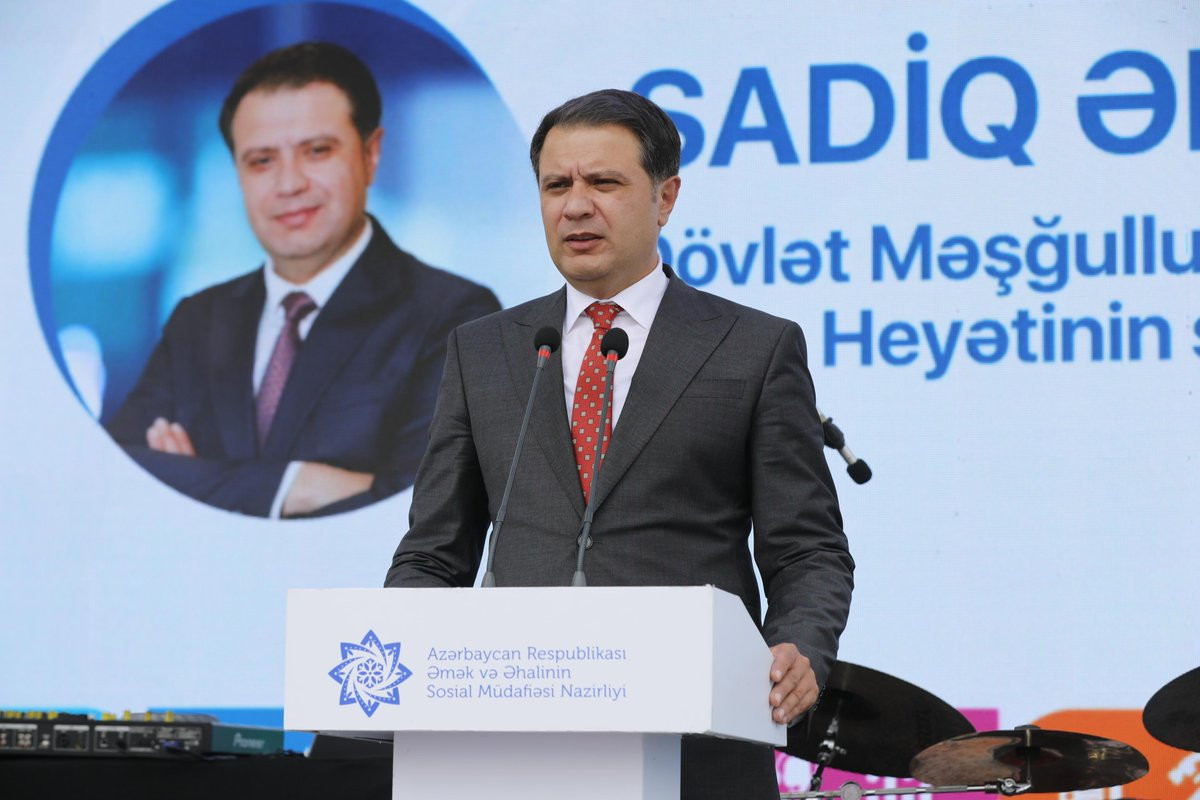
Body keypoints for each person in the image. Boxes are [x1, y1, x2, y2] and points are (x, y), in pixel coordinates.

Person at [384, 89, 853, 798]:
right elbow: (433, 552)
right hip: (510, 739)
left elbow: (807, 548)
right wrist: (400, 649)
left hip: (696, 740)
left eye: (603, 182)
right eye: (556, 186)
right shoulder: (484, 350)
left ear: (665, 199)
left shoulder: (753, 348)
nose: (575, 206)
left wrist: (801, 645)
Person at [106, 42, 500, 518]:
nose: (289, 184)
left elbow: (430, 508)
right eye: (261, 161)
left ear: (371, 154)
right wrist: (296, 487)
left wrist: (199, 476)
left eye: (316, 151)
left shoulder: (455, 316)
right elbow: (118, 476)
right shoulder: (199, 319)